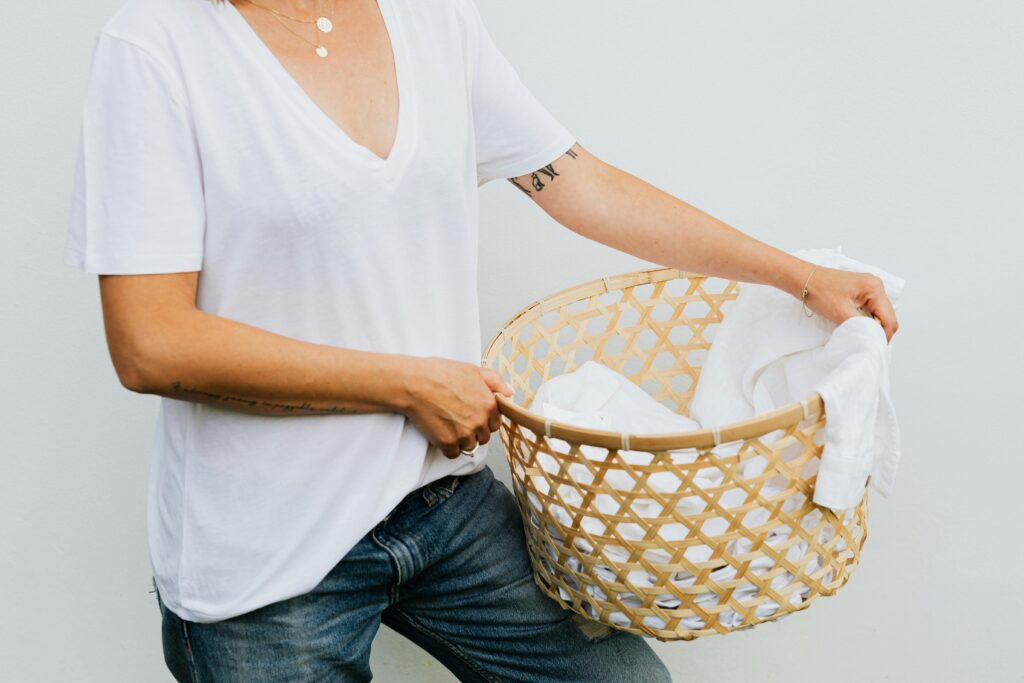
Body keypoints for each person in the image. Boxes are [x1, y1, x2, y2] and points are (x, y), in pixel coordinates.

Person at [63, 0, 899, 680]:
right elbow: (151, 343)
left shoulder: (431, 21)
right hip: (266, 549)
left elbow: (580, 183)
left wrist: (795, 275)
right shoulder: (156, 48)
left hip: (438, 499)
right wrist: (406, 384)